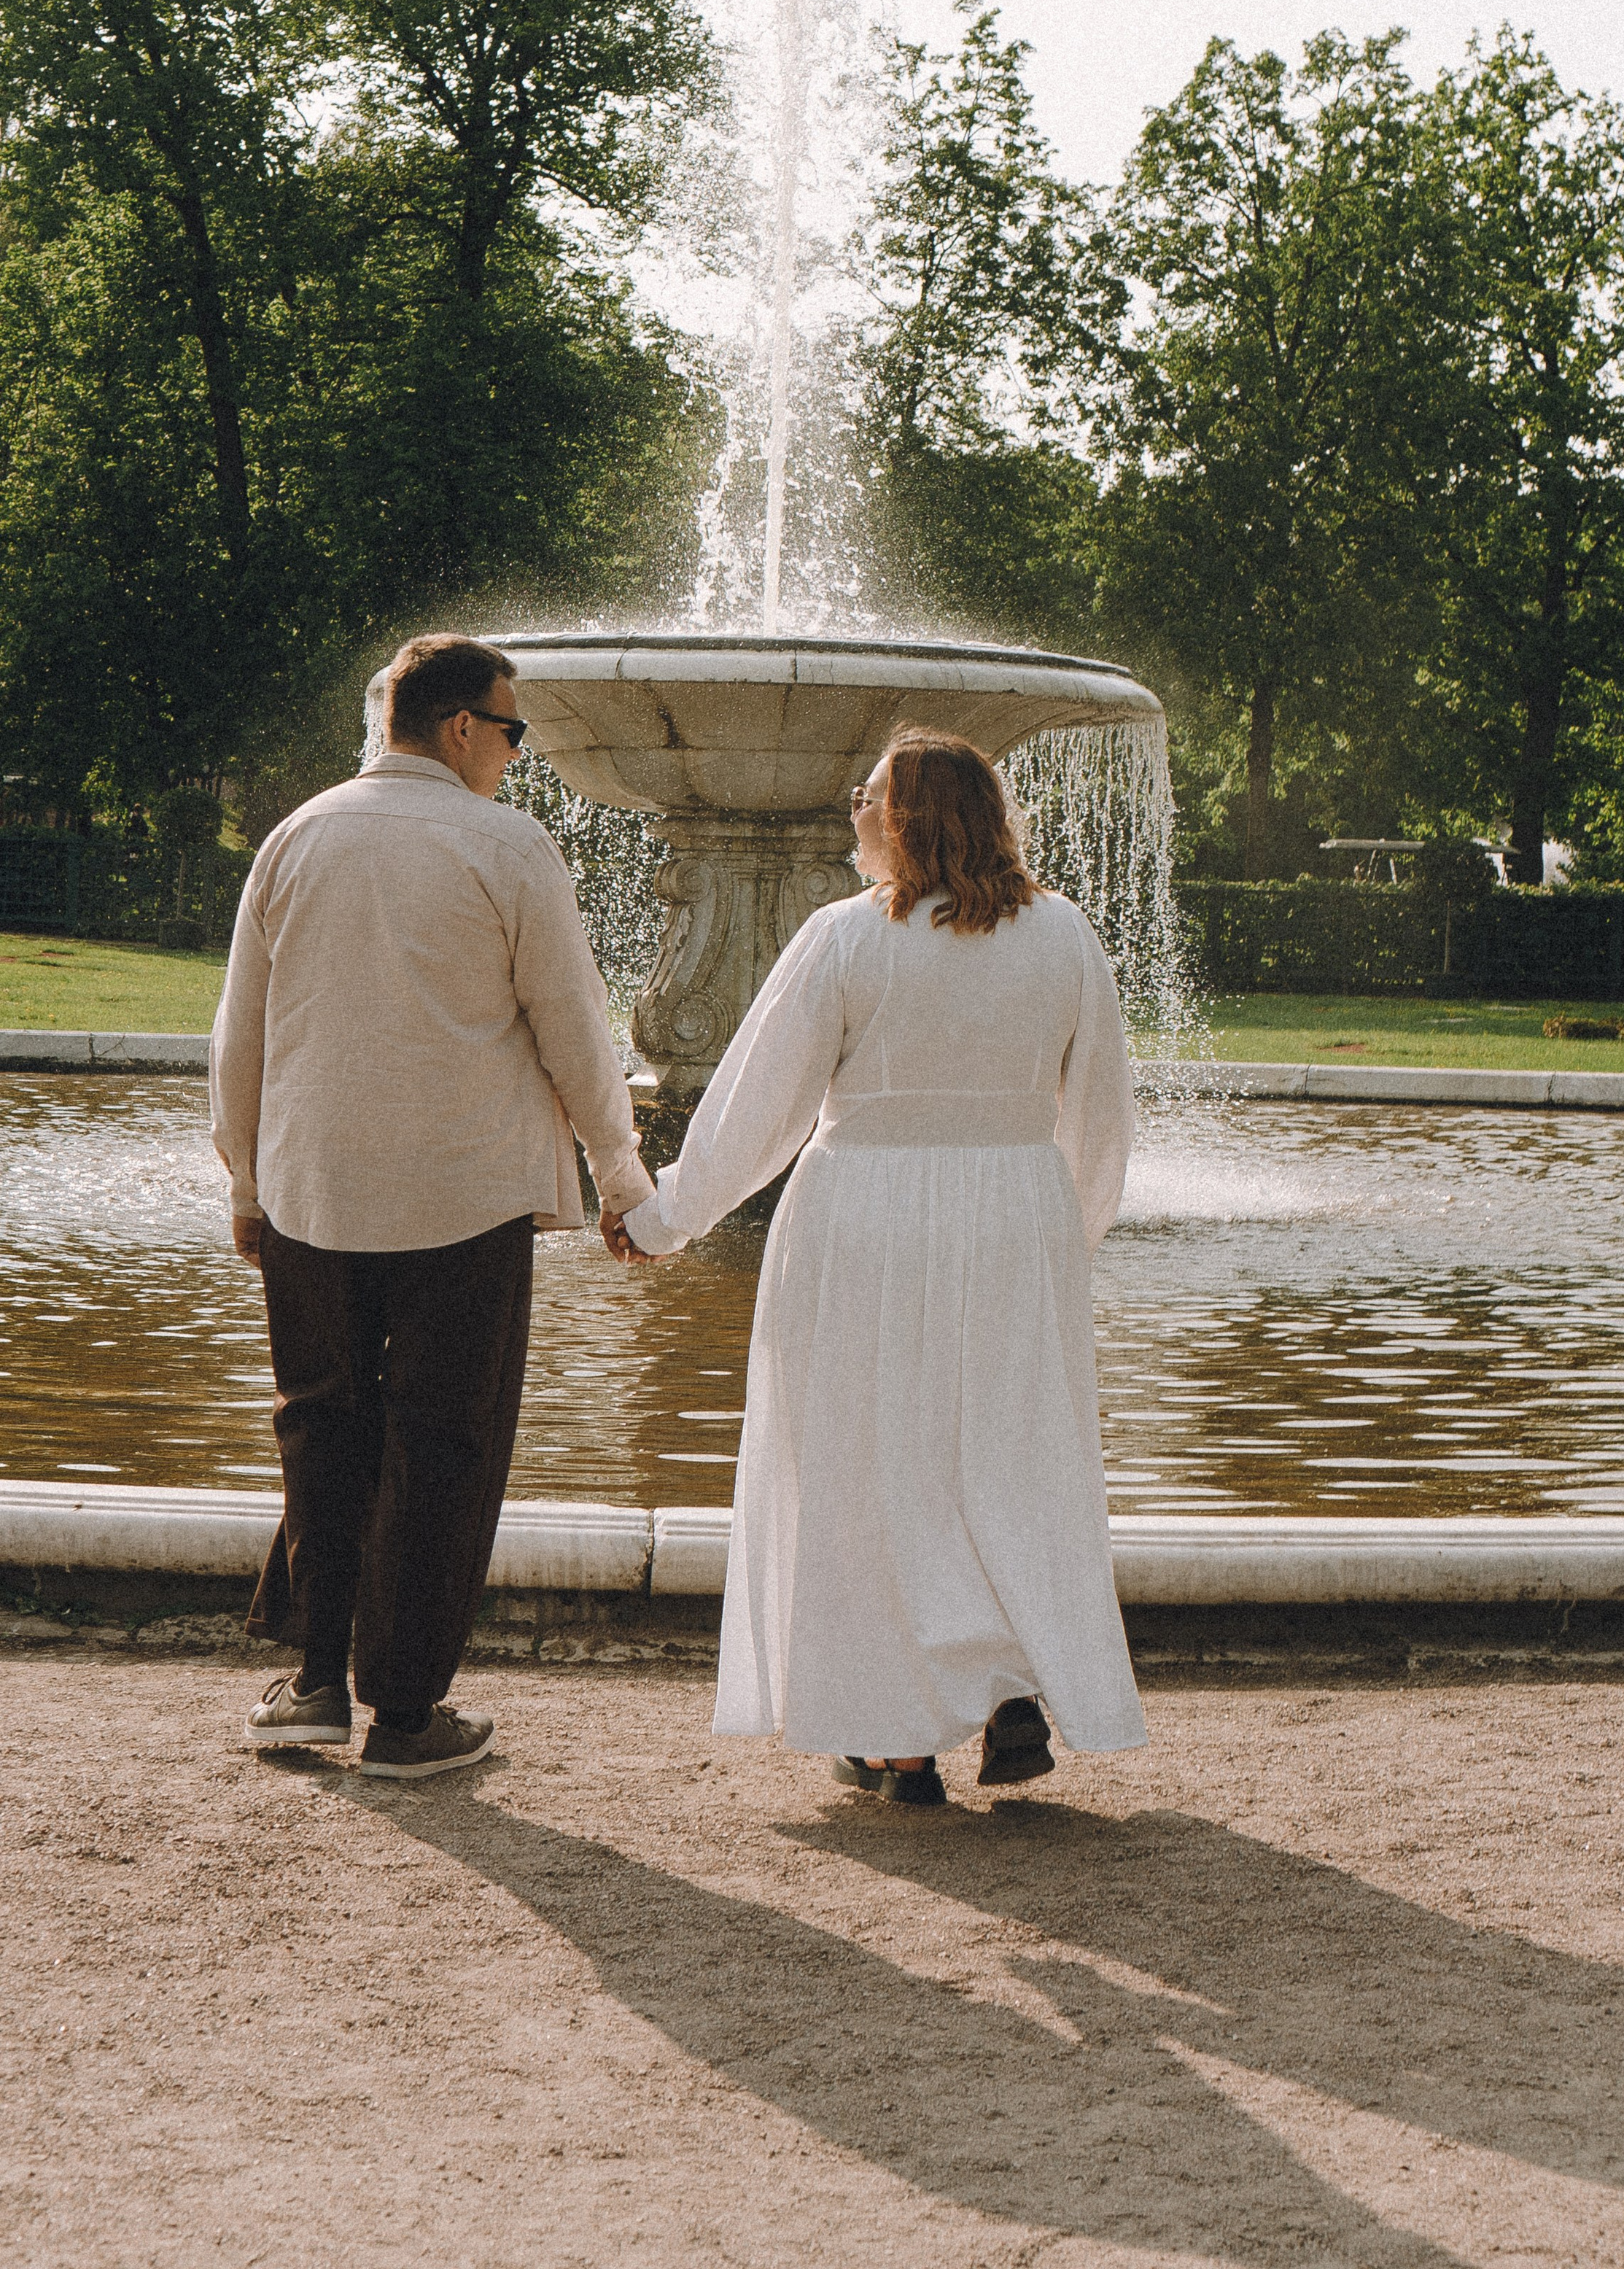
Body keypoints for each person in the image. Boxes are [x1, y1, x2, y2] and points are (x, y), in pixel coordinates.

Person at [615, 726, 1146, 1804]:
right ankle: (1006, 1688)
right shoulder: (1065, 938)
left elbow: (757, 1109)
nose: (851, 808)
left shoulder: (849, 938)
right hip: (1013, 1218)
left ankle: (900, 1737)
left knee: (864, 1464)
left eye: (866, 794)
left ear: (901, 818)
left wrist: (667, 1218)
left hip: (864, 1218)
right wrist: (1061, 1236)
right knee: (1003, 1463)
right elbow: (1102, 1116)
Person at [210, 632, 656, 1780]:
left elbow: (241, 1037)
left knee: (321, 1422)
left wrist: (247, 1181)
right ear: (462, 728)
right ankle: (406, 1711)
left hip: (314, 1186)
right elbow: (573, 1029)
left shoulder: (296, 837)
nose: (517, 754)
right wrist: (620, 1176)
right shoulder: (506, 847)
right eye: (512, 732)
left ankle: (313, 1684)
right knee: (446, 1440)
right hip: (465, 1191)